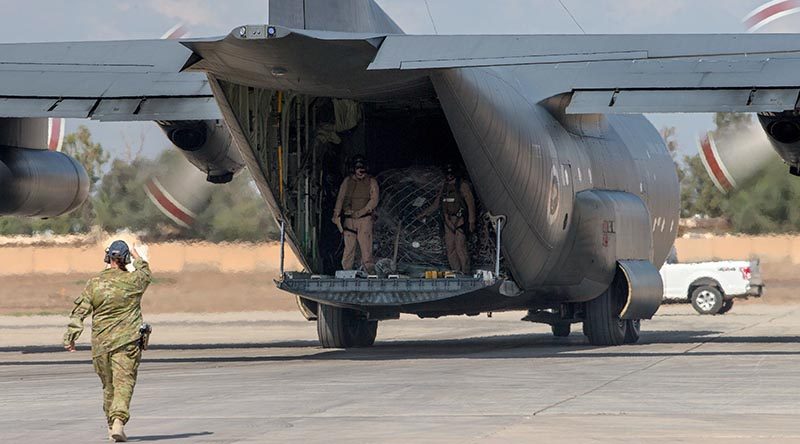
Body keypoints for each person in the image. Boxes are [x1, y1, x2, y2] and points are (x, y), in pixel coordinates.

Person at [63, 240, 152, 443]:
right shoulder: (134, 282)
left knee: (108, 386)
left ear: (108, 258)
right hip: (126, 343)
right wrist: (138, 256)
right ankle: (118, 421)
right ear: (126, 259)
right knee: (124, 383)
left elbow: (79, 312)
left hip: (101, 346)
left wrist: (70, 337)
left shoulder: (95, 284)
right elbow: (145, 273)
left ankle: (110, 426)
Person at [418, 163, 476, 274]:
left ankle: (465, 272)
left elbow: (470, 203)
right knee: (450, 249)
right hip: (448, 221)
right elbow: (436, 204)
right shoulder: (444, 187)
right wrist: (424, 213)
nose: (449, 176)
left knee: (460, 248)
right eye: (447, 174)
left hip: (460, 221)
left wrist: (471, 221)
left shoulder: (462, 185)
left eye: (451, 174)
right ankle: (456, 271)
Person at [333, 155, 379, 272]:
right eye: (358, 168)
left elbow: (374, 200)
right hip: (349, 219)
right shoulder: (347, 181)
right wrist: (336, 214)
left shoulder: (371, 181)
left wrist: (362, 212)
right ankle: (346, 270)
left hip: (364, 219)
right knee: (349, 248)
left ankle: (368, 270)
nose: (360, 172)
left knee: (366, 247)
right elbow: (341, 198)